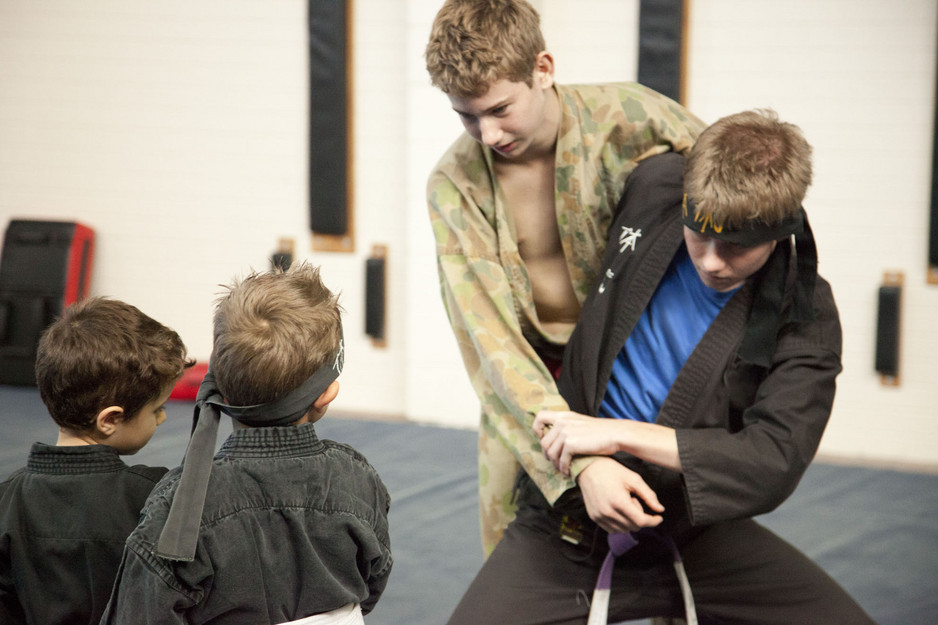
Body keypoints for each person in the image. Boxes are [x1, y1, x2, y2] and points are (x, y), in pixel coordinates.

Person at [444, 110, 877, 624]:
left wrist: (616, 436)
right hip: (568, 524)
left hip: (692, 531)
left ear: (781, 229)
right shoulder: (655, 188)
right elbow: (598, 113)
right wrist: (591, 463)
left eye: (737, 246)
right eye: (700, 234)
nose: (713, 261)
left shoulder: (804, 315)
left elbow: (773, 460)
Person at [425, 0, 706, 554]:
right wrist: (579, 460)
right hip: (534, 374)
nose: (487, 133)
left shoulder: (633, 115)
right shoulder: (453, 184)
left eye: (501, 108)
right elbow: (490, 340)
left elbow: (736, 195)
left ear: (543, 69)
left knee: (680, 534)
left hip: (639, 356)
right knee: (510, 538)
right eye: (466, 115)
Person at [99, 263, 392, 625]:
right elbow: (372, 582)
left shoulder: (180, 508)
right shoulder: (357, 480)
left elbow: (140, 613)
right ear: (326, 393)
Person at [0, 297, 193, 625]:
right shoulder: (155, 498)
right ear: (110, 420)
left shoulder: (6, 500)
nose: (161, 419)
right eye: (156, 409)